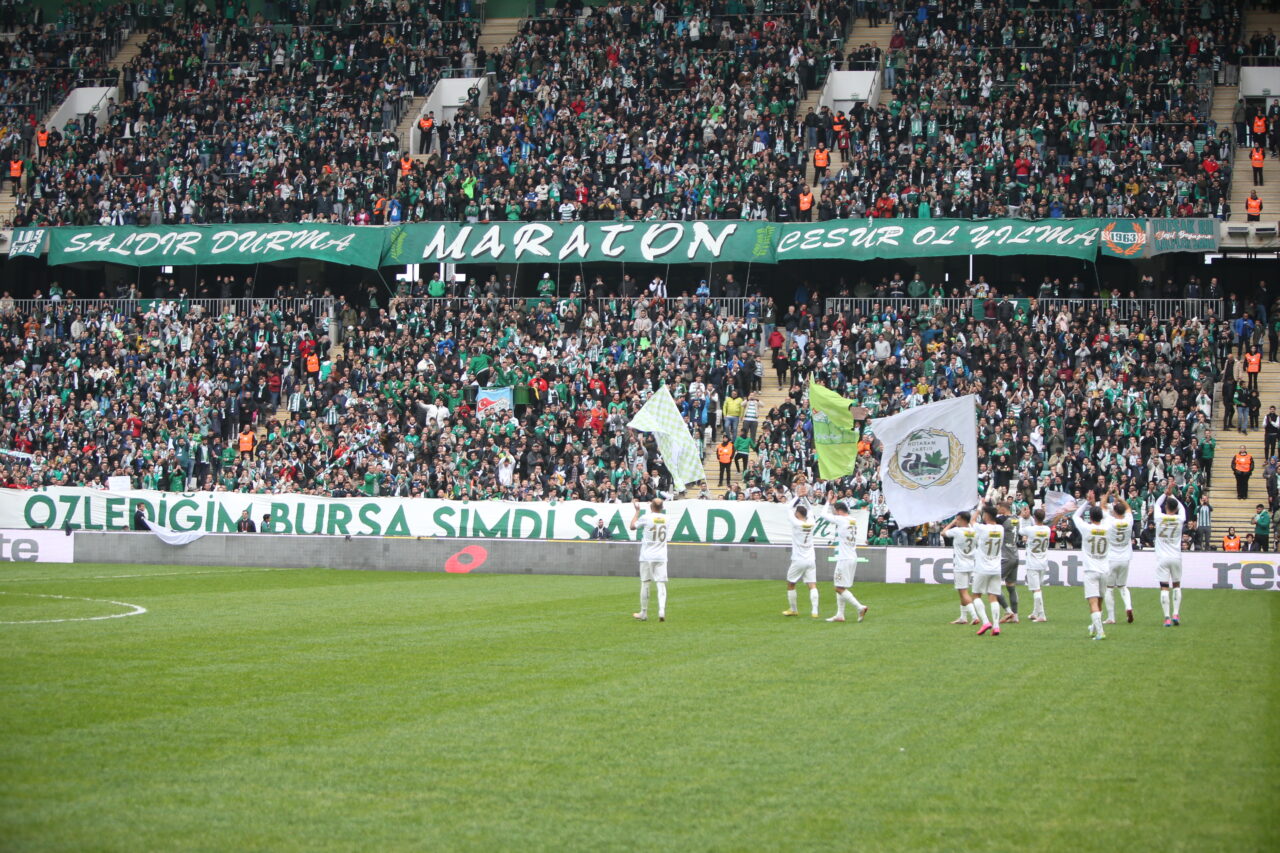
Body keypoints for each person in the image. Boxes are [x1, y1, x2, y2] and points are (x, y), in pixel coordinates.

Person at [819, 494, 868, 623]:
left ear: (839, 511)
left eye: (836, 511)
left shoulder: (842, 520)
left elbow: (823, 515)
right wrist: (833, 504)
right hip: (852, 556)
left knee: (838, 588)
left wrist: (828, 502)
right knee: (839, 585)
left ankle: (860, 607)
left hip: (845, 558)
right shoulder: (853, 519)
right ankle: (840, 614)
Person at [1073, 495, 1111, 641]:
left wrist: (1087, 503)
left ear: (1090, 517)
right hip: (1104, 569)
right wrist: (1098, 505)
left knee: (1093, 602)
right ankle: (1094, 627)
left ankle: (1100, 632)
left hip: (1091, 570)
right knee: (1100, 601)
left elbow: (1076, 516)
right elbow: (1107, 516)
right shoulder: (1108, 527)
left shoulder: (1086, 528)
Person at [782, 483, 820, 618]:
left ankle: (793, 609)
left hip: (798, 559)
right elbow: (810, 510)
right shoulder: (811, 522)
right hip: (811, 559)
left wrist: (798, 496)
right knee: (812, 585)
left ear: (798, 514)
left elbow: (788, 507)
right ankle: (815, 611)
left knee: (791, 583)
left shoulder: (796, 523)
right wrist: (804, 499)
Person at [629, 498, 669, 622]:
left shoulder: (646, 517)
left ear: (651, 507)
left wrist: (637, 511)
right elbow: (657, 516)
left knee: (645, 582)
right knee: (661, 583)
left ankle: (644, 612)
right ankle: (661, 610)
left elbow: (632, 526)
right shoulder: (667, 519)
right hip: (661, 555)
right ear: (662, 508)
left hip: (647, 555)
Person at [1153, 487, 1187, 627]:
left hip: (1162, 558)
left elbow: (1156, 505)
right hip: (1176, 556)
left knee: (1164, 587)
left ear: (1166, 506)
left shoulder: (1159, 517)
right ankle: (1176, 614)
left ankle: (1167, 617)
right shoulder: (1180, 518)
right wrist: (1172, 495)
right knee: (1177, 585)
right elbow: (1182, 507)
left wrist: (1165, 493)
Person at [971, 504, 1006, 636]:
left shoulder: (983, 528)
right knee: (993, 596)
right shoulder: (1001, 529)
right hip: (996, 568)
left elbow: (972, 521)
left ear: (986, 515)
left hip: (982, 567)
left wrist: (979, 507)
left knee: (976, 595)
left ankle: (985, 622)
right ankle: (996, 626)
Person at [942, 511, 982, 625]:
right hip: (971, 564)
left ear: (962, 520)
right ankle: (963, 617)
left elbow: (943, 533)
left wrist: (951, 523)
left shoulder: (957, 531)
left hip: (960, 565)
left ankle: (974, 616)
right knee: (962, 591)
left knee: (963, 592)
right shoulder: (974, 531)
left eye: (958, 519)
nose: (956, 521)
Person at [1103, 489, 1135, 625]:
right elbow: (1128, 507)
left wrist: (1108, 493)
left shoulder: (1110, 521)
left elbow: (1102, 506)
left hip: (1112, 557)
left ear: (1114, 512)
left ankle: (1111, 617)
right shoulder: (1129, 520)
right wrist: (1118, 497)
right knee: (1122, 586)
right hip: (1125, 557)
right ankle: (1128, 607)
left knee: (1109, 588)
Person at [1020, 507, 1052, 622]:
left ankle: (1042, 615)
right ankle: (1035, 612)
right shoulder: (1047, 529)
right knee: (1037, 588)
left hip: (1032, 563)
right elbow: (1036, 526)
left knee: (1036, 589)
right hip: (1043, 562)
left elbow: (1020, 531)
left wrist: (1022, 517)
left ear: (1034, 517)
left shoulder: (1030, 530)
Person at [997, 501, 1020, 623]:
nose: (997, 511)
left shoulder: (1002, 520)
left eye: (998, 508)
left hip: (1006, 556)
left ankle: (1008, 611)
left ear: (1003, 508)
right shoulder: (1016, 519)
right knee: (1011, 586)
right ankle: (1015, 616)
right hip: (1015, 554)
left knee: (993, 583)